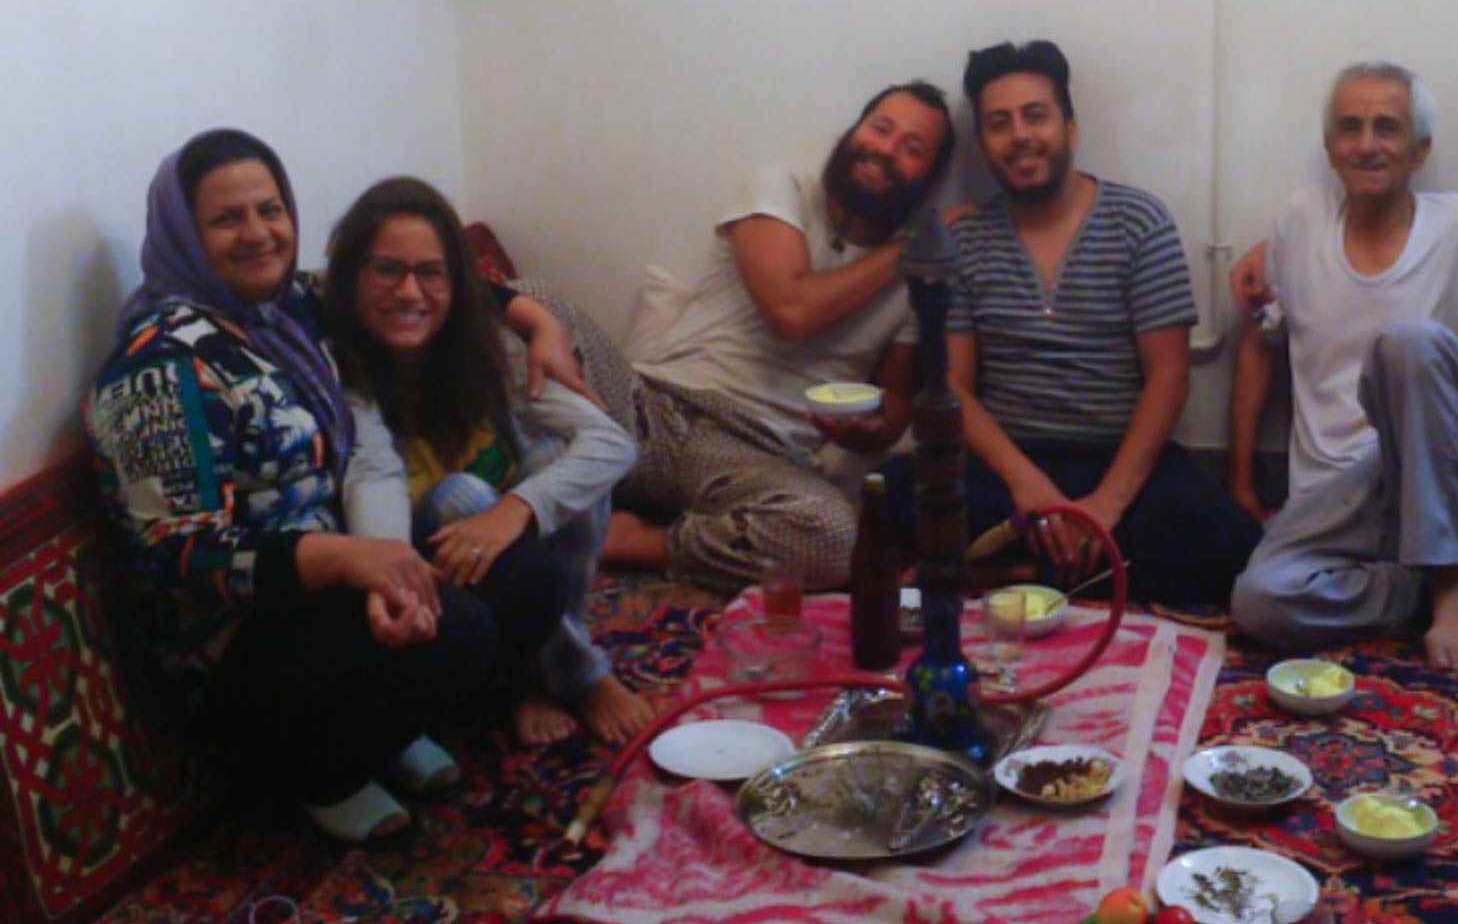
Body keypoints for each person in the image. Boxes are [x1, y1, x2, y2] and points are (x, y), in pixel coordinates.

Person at [86, 130, 584, 843]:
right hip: (237, 638)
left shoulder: (293, 308)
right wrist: (346, 561)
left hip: (342, 577)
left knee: (527, 576)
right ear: (184, 235)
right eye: (227, 220)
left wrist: (535, 318)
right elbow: (181, 554)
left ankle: (383, 730)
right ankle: (319, 768)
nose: (258, 234)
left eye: (271, 210)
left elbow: (429, 286)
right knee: (460, 625)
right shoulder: (157, 367)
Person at [897, 40, 1260, 605]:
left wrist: (1104, 506)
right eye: (999, 124)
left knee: (1231, 546)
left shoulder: (1138, 221)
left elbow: (1169, 376)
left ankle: (1009, 572)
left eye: (1035, 116)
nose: (1019, 135)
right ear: (985, 147)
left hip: (1118, 461)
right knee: (896, 502)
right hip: (1007, 463)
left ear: (1070, 127)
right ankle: (1071, 572)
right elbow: (951, 385)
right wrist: (1027, 486)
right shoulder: (964, 240)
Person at [325, 177, 648, 747]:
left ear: (457, 285)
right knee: (462, 496)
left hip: (505, 552)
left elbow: (611, 443)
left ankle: (537, 670)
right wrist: (390, 573)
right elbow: (373, 475)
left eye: (430, 272)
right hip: (433, 566)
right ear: (351, 277)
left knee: (557, 458)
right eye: (386, 269)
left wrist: (518, 508)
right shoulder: (348, 374)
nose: (409, 291)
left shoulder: (486, 351)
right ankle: (577, 674)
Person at [601, 82, 956, 591]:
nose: (886, 149)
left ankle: (637, 540)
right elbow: (791, 311)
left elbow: (897, 397)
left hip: (754, 456)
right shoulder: (780, 189)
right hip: (653, 408)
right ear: (856, 129)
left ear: (930, 179)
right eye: (881, 128)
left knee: (840, 539)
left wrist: (872, 429)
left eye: (913, 148)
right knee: (534, 306)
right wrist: (910, 250)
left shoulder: (915, 280)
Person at [1226, 62, 1458, 667]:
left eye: (1386, 128)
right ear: (1330, 147)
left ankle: (1451, 581)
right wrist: (1240, 485)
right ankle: (1412, 586)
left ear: (1420, 149)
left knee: (1408, 341)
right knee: (1258, 601)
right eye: (1349, 128)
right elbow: (1258, 347)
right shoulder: (1299, 221)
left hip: (1428, 473)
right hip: (1330, 498)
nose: (1366, 145)